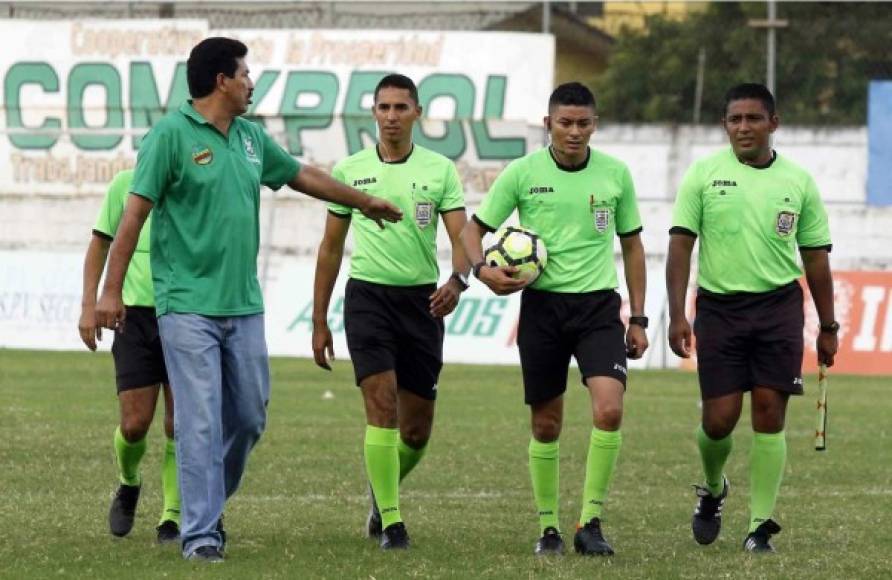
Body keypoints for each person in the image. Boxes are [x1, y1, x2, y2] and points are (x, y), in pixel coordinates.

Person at [94, 37, 402, 562]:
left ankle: (206, 505)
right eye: (245, 73)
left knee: (248, 418)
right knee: (199, 419)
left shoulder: (252, 139)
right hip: (185, 305)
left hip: (244, 306)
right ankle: (201, 536)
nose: (251, 83)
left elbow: (303, 175)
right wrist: (110, 289)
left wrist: (364, 201)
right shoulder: (168, 136)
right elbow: (133, 217)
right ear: (222, 81)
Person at [461, 82, 648, 557]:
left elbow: (632, 245)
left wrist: (640, 317)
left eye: (583, 123)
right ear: (548, 124)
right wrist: (482, 270)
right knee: (546, 425)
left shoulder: (615, 175)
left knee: (609, 409)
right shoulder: (523, 173)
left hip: (599, 307)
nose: (574, 132)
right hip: (542, 307)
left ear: (595, 125)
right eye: (565, 123)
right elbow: (473, 229)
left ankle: (590, 521)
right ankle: (548, 527)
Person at [666, 83, 838, 553]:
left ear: (773, 123)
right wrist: (677, 313)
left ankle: (759, 525)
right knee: (719, 421)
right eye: (735, 119)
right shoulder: (702, 174)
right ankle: (714, 488)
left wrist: (828, 325)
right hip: (719, 310)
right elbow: (681, 245)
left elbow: (816, 258)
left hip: (779, 308)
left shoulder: (798, 182)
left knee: (769, 413)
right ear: (725, 125)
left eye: (753, 119)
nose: (744, 127)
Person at [312, 73, 469, 551]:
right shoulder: (350, 169)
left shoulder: (440, 170)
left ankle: (382, 494)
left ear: (417, 114)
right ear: (373, 113)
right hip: (368, 301)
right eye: (384, 108)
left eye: (402, 108)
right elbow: (330, 248)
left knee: (416, 430)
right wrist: (319, 320)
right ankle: (394, 524)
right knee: (381, 408)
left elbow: (462, 237)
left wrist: (457, 282)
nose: (393, 117)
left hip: (423, 302)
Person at [78, 169, 180, 544]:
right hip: (133, 317)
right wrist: (90, 303)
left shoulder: (192, 184)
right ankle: (128, 481)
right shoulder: (125, 184)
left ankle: (171, 517)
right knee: (135, 424)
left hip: (185, 313)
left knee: (179, 423)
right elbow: (99, 243)